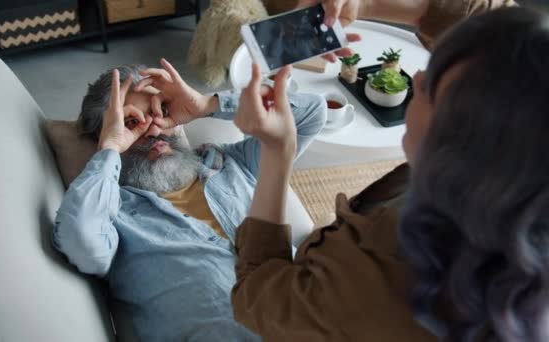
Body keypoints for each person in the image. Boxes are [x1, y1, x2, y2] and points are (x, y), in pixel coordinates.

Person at [230, 2, 542, 342]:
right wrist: (362, 4)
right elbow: (486, 15)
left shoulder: (379, 278)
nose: (419, 75)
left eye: (429, 86)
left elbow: (255, 295)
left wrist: (278, 149)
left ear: (463, 140)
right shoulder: (519, 172)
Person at [52, 59, 327, 341]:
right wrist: (109, 148)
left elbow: (314, 112)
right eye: (132, 122)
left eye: (164, 110)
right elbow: (81, 241)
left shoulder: (230, 161)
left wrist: (208, 104)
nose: (155, 129)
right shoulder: (114, 216)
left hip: (316, 318)